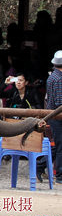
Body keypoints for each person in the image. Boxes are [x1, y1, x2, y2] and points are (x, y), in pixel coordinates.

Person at [47, 50, 62, 184]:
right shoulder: (59, 78)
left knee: (58, 145)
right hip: (58, 117)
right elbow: (59, 102)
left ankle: (40, 165)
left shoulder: (53, 76)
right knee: (60, 145)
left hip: (53, 116)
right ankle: (60, 175)